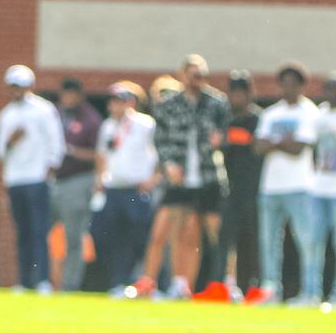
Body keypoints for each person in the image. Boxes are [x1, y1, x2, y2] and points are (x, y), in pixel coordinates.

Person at [131, 54, 228, 299]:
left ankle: (221, 283)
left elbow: (227, 135)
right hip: (179, 179)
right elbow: (160, 141)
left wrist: (220, 140)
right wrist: (169, 165)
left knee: (208, 234)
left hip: (208, 177)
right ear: (183, 75)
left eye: (202, 75)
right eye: (194, 74)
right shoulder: (168, 105)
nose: (198, 80)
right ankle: (152, 283)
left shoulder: (216, 103)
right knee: (163, 231)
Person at [0, 65, 65, 294]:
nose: (17, 91)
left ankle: (42, 280)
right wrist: (10, 141)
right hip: (15, 178)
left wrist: (50, 170)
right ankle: (24, 281)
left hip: (37, 177)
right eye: (13, 87)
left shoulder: (44, 110)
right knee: (22, 232)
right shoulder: (6, 114)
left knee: (39, 231)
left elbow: (56, 142)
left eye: (21, 86)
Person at [253, 62, 319, 305]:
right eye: (284, 83)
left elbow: (299, 147)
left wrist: (274, 142)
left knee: (306, 241)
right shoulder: (271, 113)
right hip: (270, 187)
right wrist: (282, 142)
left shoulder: (309, 112)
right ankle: (271, 290)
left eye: (293, 83)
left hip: (300, 187)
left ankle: (310, 291)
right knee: (269, 242)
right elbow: (258, 147)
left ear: (302, 85)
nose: (288, 87)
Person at [91, 81, 158, 298]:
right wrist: (99, 179)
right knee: (110, 237)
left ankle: (143, 282)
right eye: (113, 101)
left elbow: (160, 153)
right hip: (113, 189)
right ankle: (118, 282)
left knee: (139, 238)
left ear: (132, 102)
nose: (115, 106)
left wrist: (153, 180)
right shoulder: (108, 126)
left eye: (120, 101)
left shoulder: (145, 124)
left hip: (136, 189)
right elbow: (102, 155)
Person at [52, 78, 101, 292]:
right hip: (52, 180)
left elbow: (98, 155)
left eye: (73, 94)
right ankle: (47, 282)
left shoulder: (91, 119)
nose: (68, 98)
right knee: (46, 234)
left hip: (77, 180)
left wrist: (70, 150)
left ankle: (70, 284)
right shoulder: (54, 114)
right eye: (65, 94)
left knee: (74, 235)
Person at [219, 70, 263, 299]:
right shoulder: (225, 119)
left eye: (241, 93)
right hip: (230, 190)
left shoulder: (258, 119)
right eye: (233, 93)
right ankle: (224, 286)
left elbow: (257, 148)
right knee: (226, 240)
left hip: (253, 191)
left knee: (250, 241)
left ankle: (250, 288)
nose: (236, 98)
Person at [309, 72, 336, 305]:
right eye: (328, 89)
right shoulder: (320, 114)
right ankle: (313, 292)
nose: (331, 94)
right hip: (318, 188)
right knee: (314, 243)